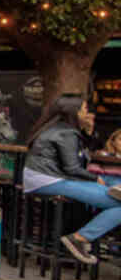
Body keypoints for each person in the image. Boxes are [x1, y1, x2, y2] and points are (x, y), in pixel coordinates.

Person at [22, 95, 121, 265]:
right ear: (73, 112)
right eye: (83, 109)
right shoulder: (66, 132)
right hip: (50, 181)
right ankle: (79, 238)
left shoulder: (57, 128)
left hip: (44, 178)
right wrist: (95, 178)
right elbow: (72, 168)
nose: (87, 112)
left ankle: (82, 236)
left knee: (115, 196)